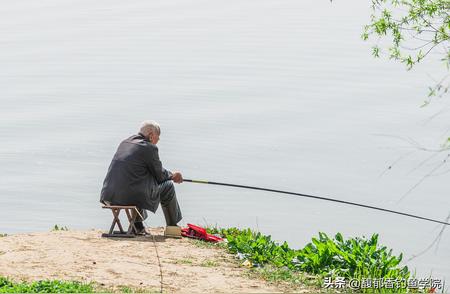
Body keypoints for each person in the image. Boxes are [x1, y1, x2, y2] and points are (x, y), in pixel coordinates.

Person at [100, 120, 183, 234]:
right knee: (168, 186)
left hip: (109, 195)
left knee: (140, 183)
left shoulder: (125, 142)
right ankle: (173, 227)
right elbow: (159, 175)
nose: (157, 142)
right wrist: (172, 175)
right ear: (151, 135)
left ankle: (137, 225)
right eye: (157, 138)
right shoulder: (149, 148)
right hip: (130, 195)